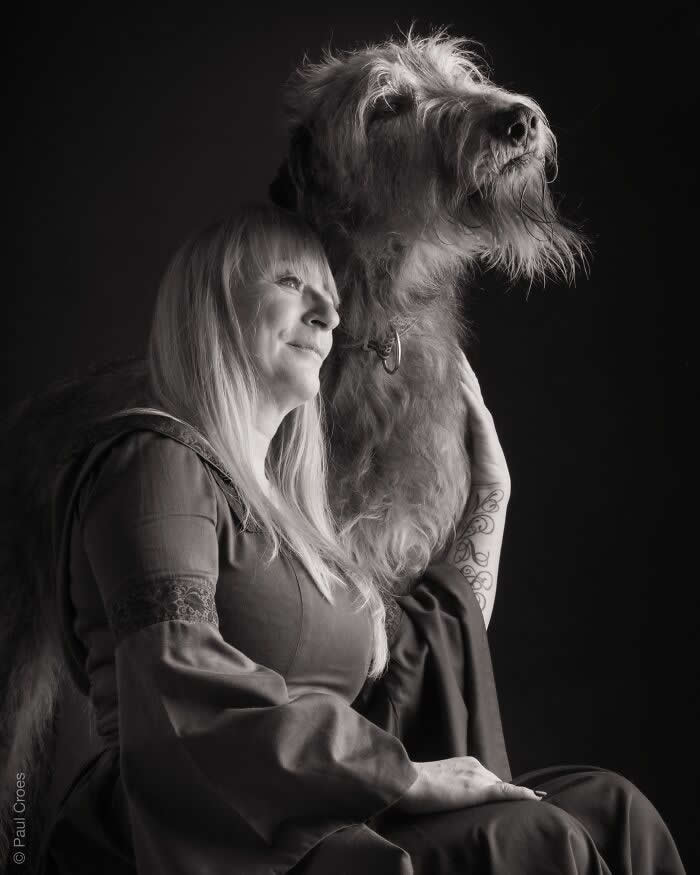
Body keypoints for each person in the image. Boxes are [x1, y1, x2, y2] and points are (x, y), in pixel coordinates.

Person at [36, 203, 685, 874]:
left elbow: (424, 656)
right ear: (211, 302)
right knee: (535, 840)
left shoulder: (297, 526)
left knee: (611, 807)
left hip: (322, 807)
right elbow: (179, 686)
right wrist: (404, 776)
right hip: (207, 833)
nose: (329, 313)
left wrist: (493, 493)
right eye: (291, 282)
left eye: (331, 293)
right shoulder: (151, 459)